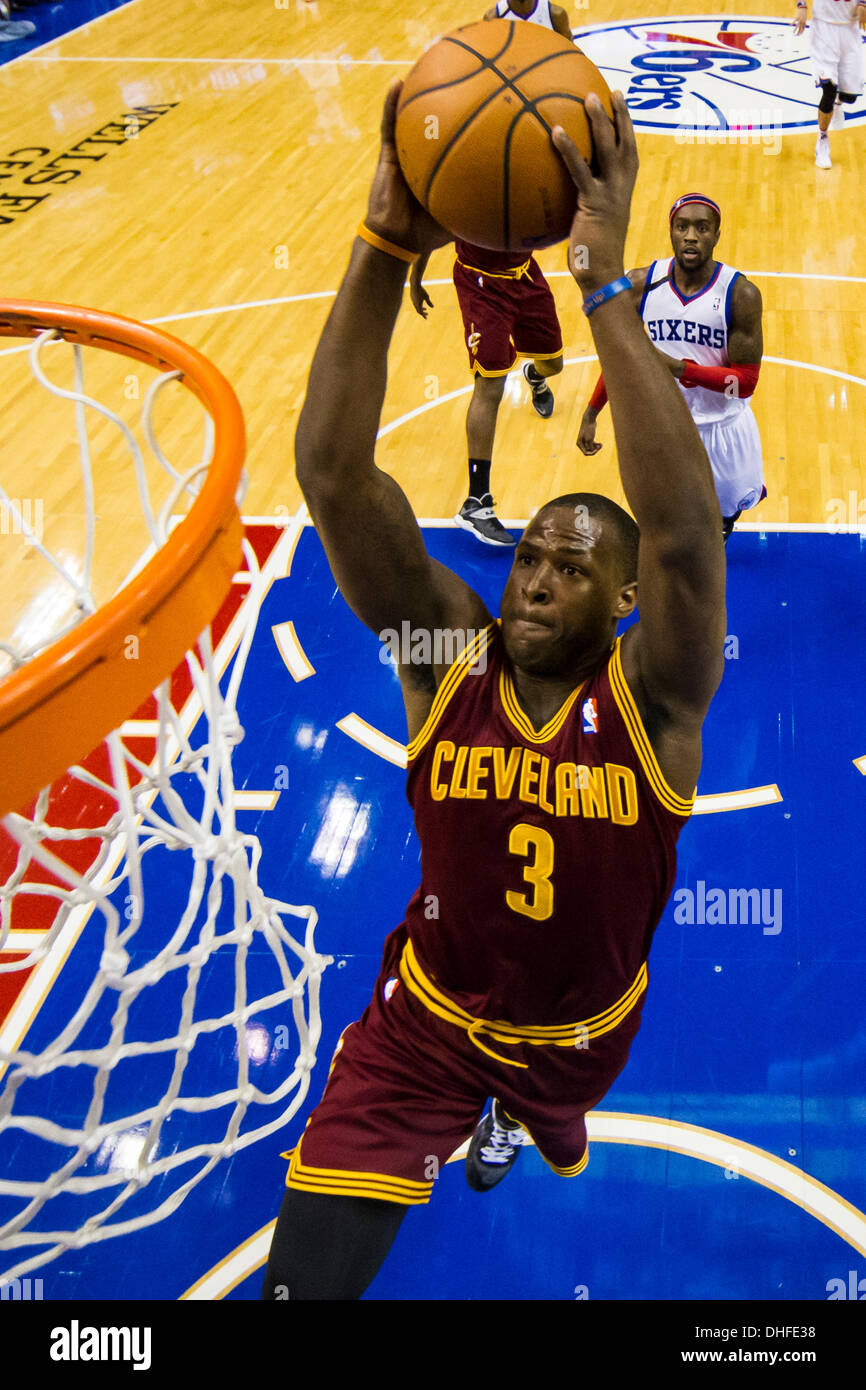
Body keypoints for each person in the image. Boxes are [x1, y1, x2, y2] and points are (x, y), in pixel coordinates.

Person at [262, 84, 725, 1302]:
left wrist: (603, 286)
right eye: (527, 554)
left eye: (572, 569)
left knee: (552, 1106)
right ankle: (490, 1114)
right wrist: (378, 241)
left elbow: (684, 539)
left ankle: (531, 1115)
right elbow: (331, 471)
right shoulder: (442, 652)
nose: (532, 581)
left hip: (576, 1035)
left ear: (621, 604)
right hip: (417, 1024)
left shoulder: (655, 700)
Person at [408, 1, 576, 548]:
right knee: (488, 383)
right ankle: (475, 502)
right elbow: (438, 213)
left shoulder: (555, 16)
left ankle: (535, 376)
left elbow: (574, 73)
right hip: (479, 282)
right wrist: (415, 273)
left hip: (523, 273)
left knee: (552, 361)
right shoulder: (471, 155)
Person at [577, 193, 764, 543]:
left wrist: (680, 369)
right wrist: (592, 410)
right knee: (659, 528)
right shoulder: (640, 285)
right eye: (682, 227)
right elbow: (621, 355)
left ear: (717, 236)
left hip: (719, 428)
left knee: (716, 528)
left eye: (702, 228)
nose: (691, 236)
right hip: (661, 426)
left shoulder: (740, 295)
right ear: (671, 231)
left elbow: (745, 384)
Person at [795, 0, 866, 168]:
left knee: (849, 97)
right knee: (828, 89)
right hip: (824, 29)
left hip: (850, 29)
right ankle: (822, 139)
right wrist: (802, 6)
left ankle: (838, 103)